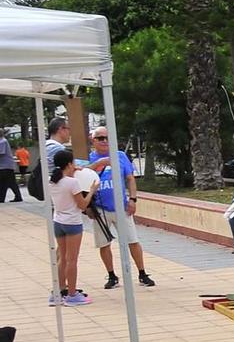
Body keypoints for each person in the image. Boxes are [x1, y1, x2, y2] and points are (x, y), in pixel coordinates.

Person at [86, 126, 154, 288]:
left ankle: (142, 273)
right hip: (100, 208)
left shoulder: (120, 156)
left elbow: (130, 178)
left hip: (121, 207)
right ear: (93, 140)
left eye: (107, 138)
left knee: (132, 240)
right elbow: (81, 177)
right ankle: (111, 275)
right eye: (100, 138)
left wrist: (133, 199)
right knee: (104, 243)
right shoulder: (88, 159)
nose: (104, 141)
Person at [47, 148, 95, 305]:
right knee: (71, 260)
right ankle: (72, 294)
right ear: (69, 163)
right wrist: (91, 191)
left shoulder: (51, 180)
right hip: (72, 223)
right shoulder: (73, 183)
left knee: (62, 258)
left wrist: (74, 171)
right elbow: (82, 205)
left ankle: (58, 291)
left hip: (58, 221)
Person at [0, 135, 19, 202]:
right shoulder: (3, 141)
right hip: (6, 165)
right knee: (5, 182)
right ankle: (2, 198)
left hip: (5, 166)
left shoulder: (2, 142)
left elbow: (1, 153)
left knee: (8, 182)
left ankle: (18, 196)